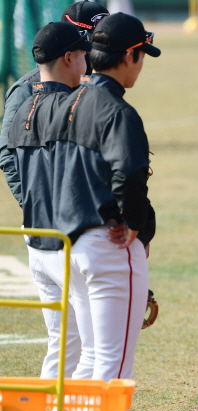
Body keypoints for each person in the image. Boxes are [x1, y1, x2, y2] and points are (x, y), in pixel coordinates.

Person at [47, 12, 159, 411]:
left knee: (92, 361)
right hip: (108, 246)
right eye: (141, 56)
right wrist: (133, 221)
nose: (141, 66)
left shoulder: (67, 100)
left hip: (66, 245)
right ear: (129, 55)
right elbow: (129, 173)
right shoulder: (117, 109)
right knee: (113, 368)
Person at [6, 22, 91, 379]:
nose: (87, 62)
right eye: (84, 54)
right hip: (67, 241)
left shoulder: (23, 110)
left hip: (37, 237)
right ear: (69, 58)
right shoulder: (72, 108)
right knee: (93, 348)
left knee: (64, 344)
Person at [1, 0, 109, 193]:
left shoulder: (96, 82)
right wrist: (38, 204)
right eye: (92, 42)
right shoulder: (26, 89)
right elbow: (8, 155)